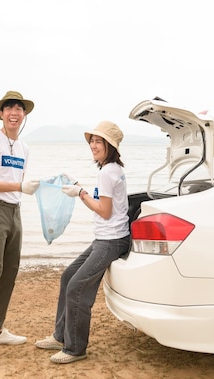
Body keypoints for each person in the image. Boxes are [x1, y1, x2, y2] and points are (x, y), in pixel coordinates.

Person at [35, 121, 130, 364]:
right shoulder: (110, 170)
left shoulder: (108, 172)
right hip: (104, 239)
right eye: (92, 141)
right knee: (68, 276)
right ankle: (60, 336)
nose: (93, 145)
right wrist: (80, 187)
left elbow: (105, 211)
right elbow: (105, 204)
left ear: (110, 146)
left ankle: (75, 349)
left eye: (99, 142)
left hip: (111, 241)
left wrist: (80, 194)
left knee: (77, 287)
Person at [0, 90, 40, 367]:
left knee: (9, 274)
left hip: (15, 212)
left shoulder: (24, 148)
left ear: (24, 114)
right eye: (9, 108)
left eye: (19, 108)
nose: (14, 112)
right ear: (1, 113)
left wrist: (30, 187)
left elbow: (19, 181)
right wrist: (18, 187)